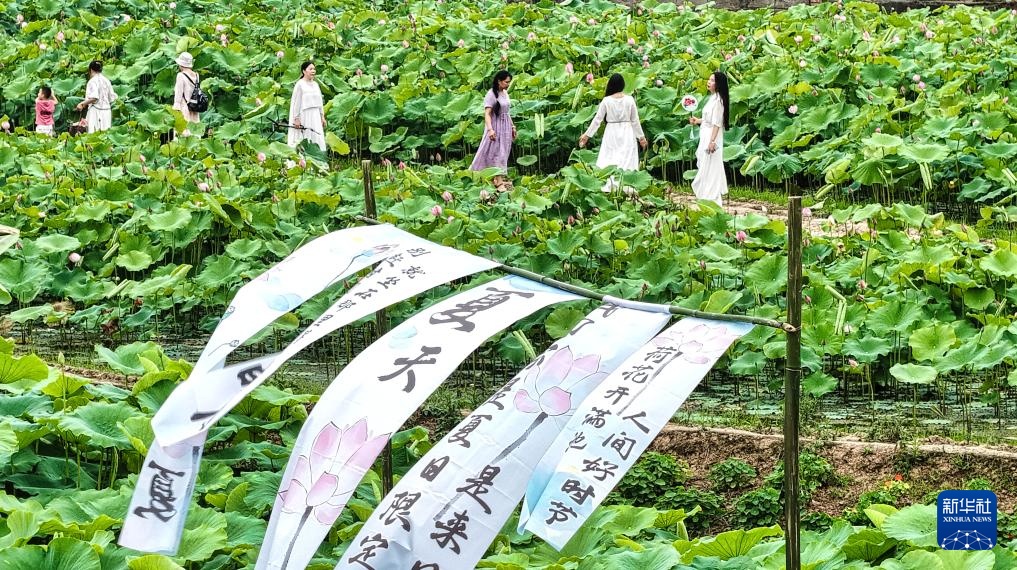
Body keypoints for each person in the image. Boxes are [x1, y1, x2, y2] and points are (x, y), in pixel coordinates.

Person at [578, 73, 648, 192]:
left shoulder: (606, 101)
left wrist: (586, 135)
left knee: (610, 157)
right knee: (626, 158)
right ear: (622, 85)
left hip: (611, 131)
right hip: (627, 131)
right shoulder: (629, 99)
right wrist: (641, 138)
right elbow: (635, 121)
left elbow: (597, 120)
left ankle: (610, 184)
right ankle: (626, 186)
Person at [469, 70, 516, 191]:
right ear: (499, 81)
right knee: (494, 152)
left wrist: (512, 126)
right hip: (495, 126)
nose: (508, 84)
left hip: (505, 127)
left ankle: (495, 177)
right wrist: (490, 130)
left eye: (509, 82)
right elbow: (487, 114)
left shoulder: (505, 93)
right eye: (506, 82)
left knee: (503, 152)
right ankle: (498, 181)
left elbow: (507, 112)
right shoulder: (491, 94)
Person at [689, 71, 730, 206]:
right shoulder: (712, 98)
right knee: (704, 163)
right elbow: (708, 119)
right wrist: (697, 121)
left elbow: (717, 123)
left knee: (710, 164)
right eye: (709, 79)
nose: (709, 82)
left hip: (712, 136)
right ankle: (705, 193)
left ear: (718, 84)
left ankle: (711, 196)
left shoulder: (719, 101)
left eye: (712, 80)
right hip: (706, 133)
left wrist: (712, 141)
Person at [287, 61, 327, 151]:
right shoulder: (300, 84)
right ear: (304, 71)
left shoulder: (316, 84)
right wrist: (296, 118)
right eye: (310, 69)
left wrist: (322, 116)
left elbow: (320, 102)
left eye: (314, 69)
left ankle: (317, 159)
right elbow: (296, 103)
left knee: (317, 136)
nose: (313, 71)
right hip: (305, 115)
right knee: (305, 137)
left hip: (315, 115)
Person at [75, 61, 116, 133]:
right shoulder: (107, 80)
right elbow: (112, 98)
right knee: (105, 134)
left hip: (95, 111)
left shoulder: (92, 81)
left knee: (93, 133)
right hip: (107, 111)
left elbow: (94, 98)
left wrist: (82, 104)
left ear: (90, 70)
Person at [172, 52, 201, 136]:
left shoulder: (180, 75)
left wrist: (176, 108)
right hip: (195, 106)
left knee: (183, 131)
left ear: (181, 64)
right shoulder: (196, 75)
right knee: (194, 132)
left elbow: (178, 94)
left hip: (184, 106)